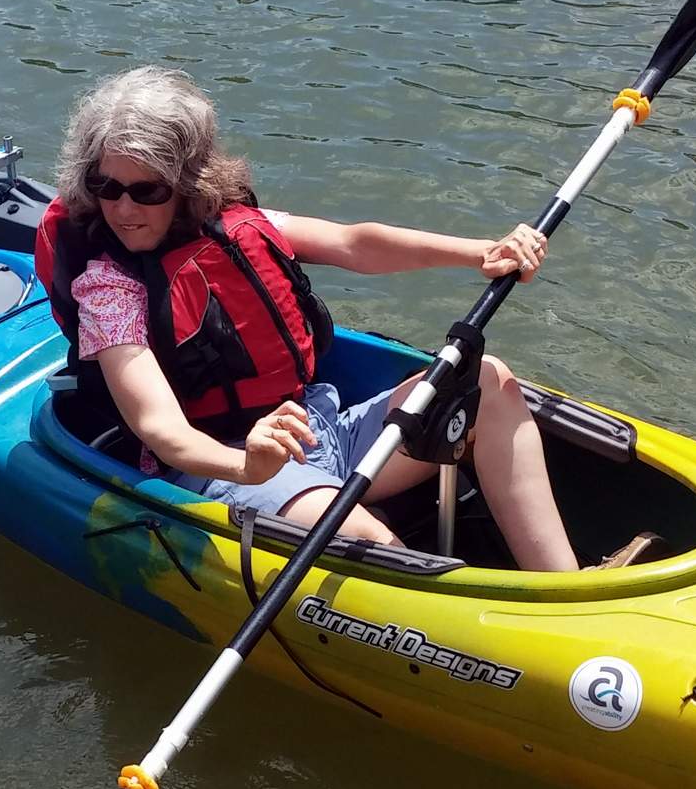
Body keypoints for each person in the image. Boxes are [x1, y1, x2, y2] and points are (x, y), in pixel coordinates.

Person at [34, 67, 581, 573]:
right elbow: (163, 431)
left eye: (146, 190)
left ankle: (567, 583)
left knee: (490, 382)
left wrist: (480, 252)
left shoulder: (236, 224)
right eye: (107, 187)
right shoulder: (109, 288)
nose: (123, 209)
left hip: (321, 433)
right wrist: (250, 465)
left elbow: (353, 243)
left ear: (187, 184)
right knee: (382, 549)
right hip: (223, 467)